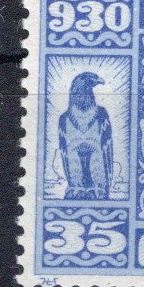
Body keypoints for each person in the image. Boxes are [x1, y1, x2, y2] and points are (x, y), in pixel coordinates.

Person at [56, 71, 116, 199]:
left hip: (98, 166)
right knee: (73, 154)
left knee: (96, 153)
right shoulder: (64, 118)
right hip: (74, 167)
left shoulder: (100, 114)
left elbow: (105, 153)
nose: (99, 80)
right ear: (85, 84)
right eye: (93, 80)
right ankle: (76, 186)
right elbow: (67, 155)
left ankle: (98, 187)